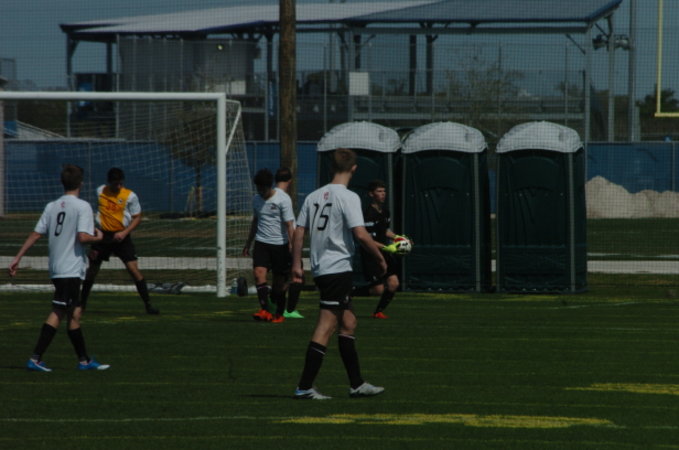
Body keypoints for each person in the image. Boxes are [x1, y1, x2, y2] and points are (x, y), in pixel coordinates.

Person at [291, 148, 387, 400]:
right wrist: (379, 258)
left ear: (331, 168)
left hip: (323, 268)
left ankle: (357, 384)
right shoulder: (348, 196)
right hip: (336, 268)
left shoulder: (313, 196)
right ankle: (304, 387)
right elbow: (360, 234)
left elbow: (299, 231)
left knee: (349, 322)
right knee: (326, 326)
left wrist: (297, 264)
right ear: (354, 169)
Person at [8, 164, 110, 372]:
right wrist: (99, 238)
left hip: (57, 267)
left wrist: (18, 256)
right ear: (81, 183)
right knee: (59, 311)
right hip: (69, 269)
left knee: (74, 313)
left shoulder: (52, 206)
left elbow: (36, 233)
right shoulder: (82, 206)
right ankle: (35, 358)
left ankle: (84, 360)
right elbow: (83, 237)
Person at [80, 167, 159, 315]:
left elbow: (137, 217)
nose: (118, 186)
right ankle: (81, 304)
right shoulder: (100, 191)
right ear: (109, 182)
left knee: (133, 270)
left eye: (120, 183)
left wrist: (124, 233)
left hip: (121, 237)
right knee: (92, 272)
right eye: (115, 183)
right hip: (102, 237)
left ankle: (148, 305)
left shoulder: (130, 196)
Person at [242, 168, 295, 323]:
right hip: (261, 243)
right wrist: (248, 243)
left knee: (278, 284)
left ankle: (279, 313)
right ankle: (265, 310)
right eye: (258, 189)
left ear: (270, 186)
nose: (260, 192)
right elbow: (255, 221)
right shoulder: (256, 199)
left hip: (280, 245)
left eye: (263, 189)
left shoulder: (283, 199)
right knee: (258, 274)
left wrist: (293, 245)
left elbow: (289, 225)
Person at [357, 179, 412, 319]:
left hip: (384, 251)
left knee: (393, 283)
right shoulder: (368, 214)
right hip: (371, 254)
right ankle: (348, 293)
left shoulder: (385, 212)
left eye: (384, 191)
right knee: (378, 290)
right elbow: (368, 240)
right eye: (379, 191)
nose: (383, 194)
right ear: (371, 194)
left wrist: (399, 238)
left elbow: (385, 230)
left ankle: (378, 312)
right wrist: (389, 247)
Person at [274, 167, 304, 319]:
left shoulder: (269, 195)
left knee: (279, 276)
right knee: (297, 275)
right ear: (290, 181)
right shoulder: (284, 198)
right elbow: (289, 224)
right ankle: (289, 309)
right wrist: (293, 244)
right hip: (285, 243)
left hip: (272, 243)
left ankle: (276, 304)